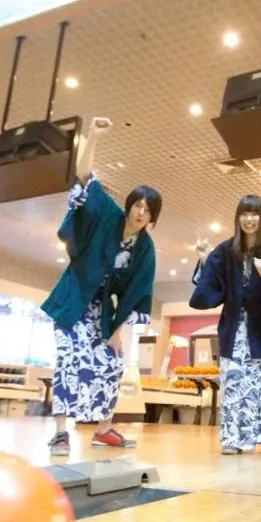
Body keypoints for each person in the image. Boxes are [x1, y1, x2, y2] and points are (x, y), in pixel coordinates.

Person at [41, 117, 161, 457]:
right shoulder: (107, 214)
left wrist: (117, 332)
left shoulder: (145, 248)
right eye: (137, 205)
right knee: (69, 360)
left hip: (103, 312)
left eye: (148, 209)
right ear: (129, 205)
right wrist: (92, 136)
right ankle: (61, 433)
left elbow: (136, 293)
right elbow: (84, 178)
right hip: (73, 301)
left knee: (112, 363)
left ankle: (103, 429)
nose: (141, 212)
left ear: (153, 217)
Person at [189, 195, 261, 455]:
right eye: (244, 213)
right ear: (238, 218)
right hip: (235, 326)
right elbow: (212, 285)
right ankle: (233, 437)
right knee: (234, 381)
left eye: (254, 213)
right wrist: (204, 260)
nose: (249, 219)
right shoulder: (226, 250)